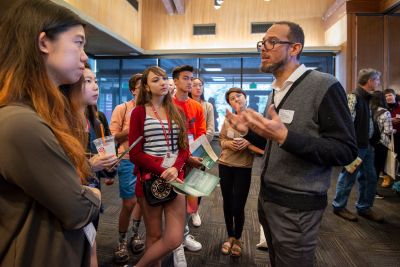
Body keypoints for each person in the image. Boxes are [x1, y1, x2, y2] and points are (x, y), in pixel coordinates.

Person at [225, 21, 357, 266]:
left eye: (272, 42)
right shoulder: (275, 90)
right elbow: (272, 144)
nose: (263, 48)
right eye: (261, 43)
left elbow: (346, 150)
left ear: (295, 48)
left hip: (298, 207)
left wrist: (286, 137)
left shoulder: (324, 85)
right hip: (269, 198)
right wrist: (249, 132)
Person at [0, 1, 101, 266]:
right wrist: (94, 196)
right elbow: (77, 210)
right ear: (44, 42)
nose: (84, 56)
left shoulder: (42, 114)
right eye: (78, 42)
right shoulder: (21, 121)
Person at [128, 66, 190, 267]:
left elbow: (184, 148)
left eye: (164, 78)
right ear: (146, 86)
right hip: (150, 180)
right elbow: (135, 153)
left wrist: (175, 168)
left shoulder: (178, 111)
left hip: (175, 179)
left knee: (174, 238)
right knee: (154, 236)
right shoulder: (138, 112)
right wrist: (162, 170)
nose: (163, 82)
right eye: (155, 80)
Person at [332, 68, 385, 223]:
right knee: (348, 176)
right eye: (376, 80)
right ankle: (339, 206)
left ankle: (364, 207)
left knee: (370, 177)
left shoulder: (369, 98)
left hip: (367, 145)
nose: (378, 83)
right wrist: (349, 145)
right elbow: (345, 123)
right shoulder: (353, 97)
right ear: (369, 81)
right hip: (355, 146)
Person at [218, 87, 260, 257]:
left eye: (239, 96)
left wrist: (247, 144)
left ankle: (238, 238)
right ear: (229, 103)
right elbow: (221, 140)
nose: (236, 100)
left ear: (245, 98)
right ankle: (230, 236)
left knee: (239, 205)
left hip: (244, 167)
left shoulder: (255, 119)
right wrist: (229, 144)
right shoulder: (228, 120)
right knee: (227, 202)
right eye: (232, 98)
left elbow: (263, 147)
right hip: (225, 164)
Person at [172, 65, 206, 267]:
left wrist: (198, 158)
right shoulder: (168, 105)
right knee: (175, 204)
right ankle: (175, 244)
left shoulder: (197, 106)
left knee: (190, 203)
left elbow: (201, 134)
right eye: (185, 78)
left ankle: (184, 236)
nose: (190, 82)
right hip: (174, 163)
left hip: (193, 160)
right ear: (175, 81)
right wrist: (184, 158)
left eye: (191, 78)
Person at [110, 73, 145, 263]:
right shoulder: (122, 108)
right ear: (133, 90)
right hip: (127, 159)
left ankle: (135, 234)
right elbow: (113, 136)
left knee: (142, 201)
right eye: (141, 87)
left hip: (147, 161)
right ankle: (121, 241)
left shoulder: (153, 109)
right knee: (129, 203)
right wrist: (133, 128)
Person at [188, 77, 215, 227]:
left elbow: (210, 129)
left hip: (201, 148)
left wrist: (198, 145)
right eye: (195, 85)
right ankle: (181, 210)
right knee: (182, 180)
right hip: (184, 149)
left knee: (196, 181)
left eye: (201, 85)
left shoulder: (207, 106)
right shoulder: (183, 104)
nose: (198, 88)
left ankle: (194, 211)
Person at [370, 91, 394, 192]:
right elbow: (388, 131)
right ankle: (372, 191)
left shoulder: (368, 110)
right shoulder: (385, 112)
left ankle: (367, 191)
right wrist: (395, 130)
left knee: (369, 167)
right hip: (381, 143)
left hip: (369, 142)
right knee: (377, 168)